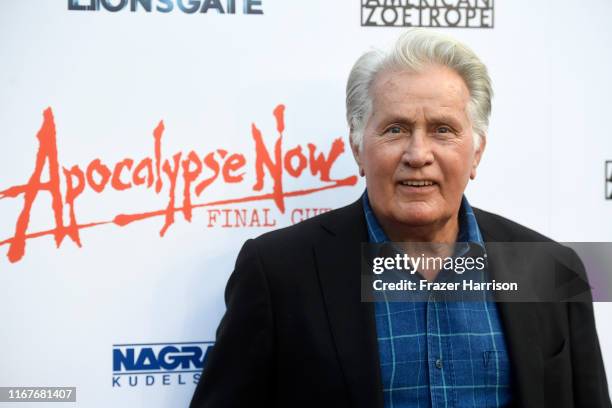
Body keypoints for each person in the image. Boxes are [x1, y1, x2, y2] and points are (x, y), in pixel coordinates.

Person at [190, 29, 611, 408]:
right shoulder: (278, 271)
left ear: (476, 152)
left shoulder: (551, 268)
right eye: (395, 129)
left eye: (443, 130)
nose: (418, 154)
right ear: (358, 147)